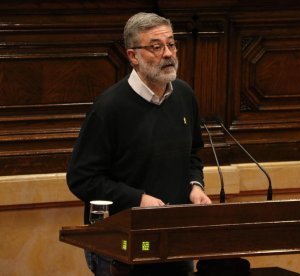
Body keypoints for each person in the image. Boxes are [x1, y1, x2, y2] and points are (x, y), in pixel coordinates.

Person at [66, 12, 212, 276]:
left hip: (173, 239)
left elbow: (192, 154)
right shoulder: (109, 108)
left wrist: (195, 185)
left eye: (171, 44)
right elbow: (81, 178)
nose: (168, 53)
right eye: (156, 47)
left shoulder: (184, 95)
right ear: (133, 56)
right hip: (123, 244)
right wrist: (137, 199)